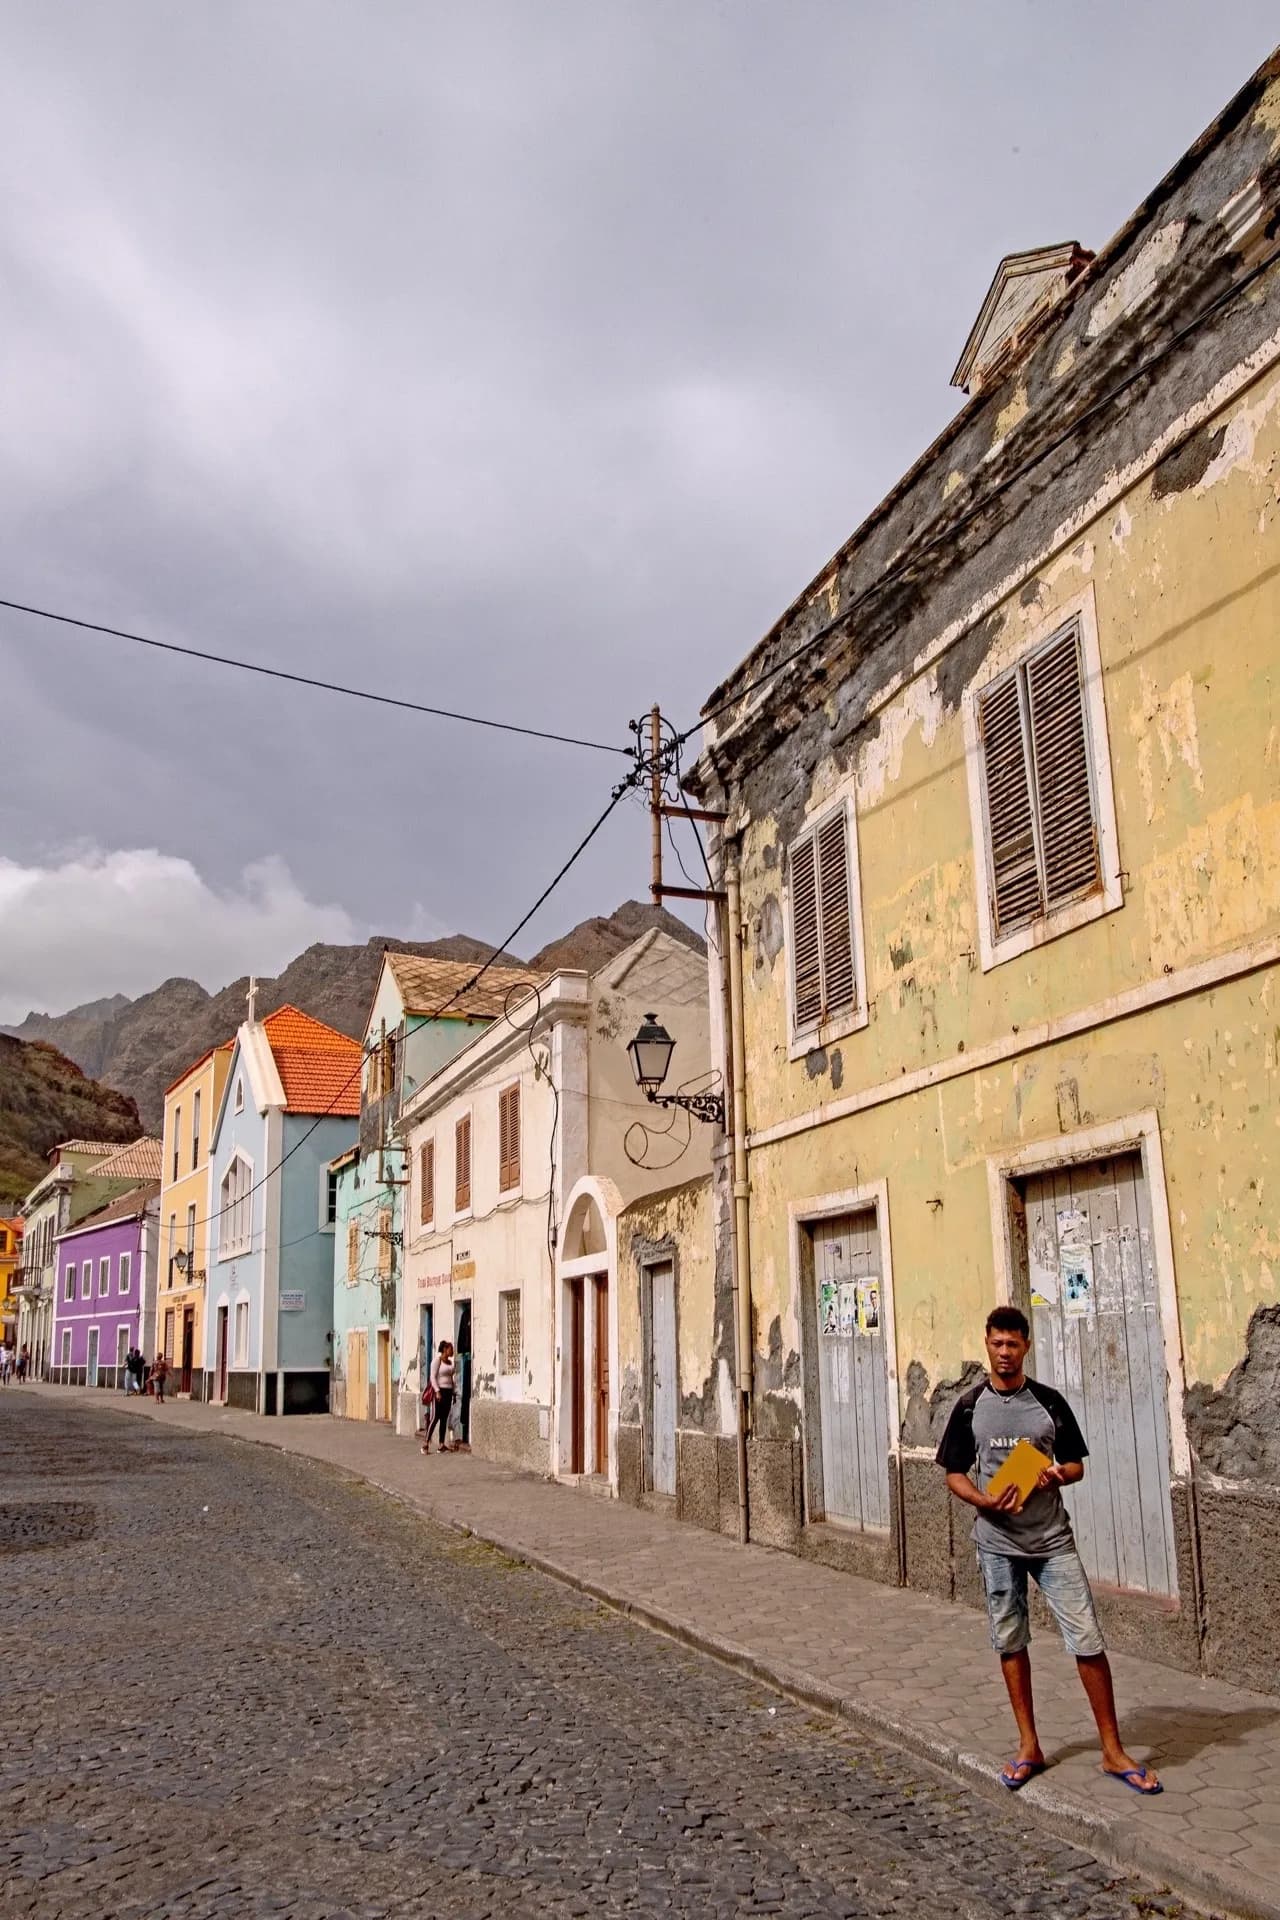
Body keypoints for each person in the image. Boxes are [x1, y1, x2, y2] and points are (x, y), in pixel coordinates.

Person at [936, 1305, 1161, 1797]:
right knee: (1010, 1641)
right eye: (996, 1344)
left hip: (1051, 1542)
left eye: (1012, 1344)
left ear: (1026, 1346)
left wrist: (1057, 1474)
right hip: (997, 1545)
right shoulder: (971, 1406)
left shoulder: (1048, 1403)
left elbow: (1076, 1464)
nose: (1004, 1353)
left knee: (1087, 1640)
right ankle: (1029, 1746)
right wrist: (983, 1498)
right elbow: (953, 1472)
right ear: (987, 1343)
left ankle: (1112, 1749)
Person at [421, 1340, 455, 1454]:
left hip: (448, 1392)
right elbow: (432, 1377)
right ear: (445, 1349)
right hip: (439, 1392)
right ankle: (425, 1444)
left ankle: (441, 1445)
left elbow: (451, 1379)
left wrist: (453, 1392)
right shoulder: (437, 1361)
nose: (452, 1351)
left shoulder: (450, 1362)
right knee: (435, 1417)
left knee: (444, 1418)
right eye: (451, 1348)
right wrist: (437, 1391)